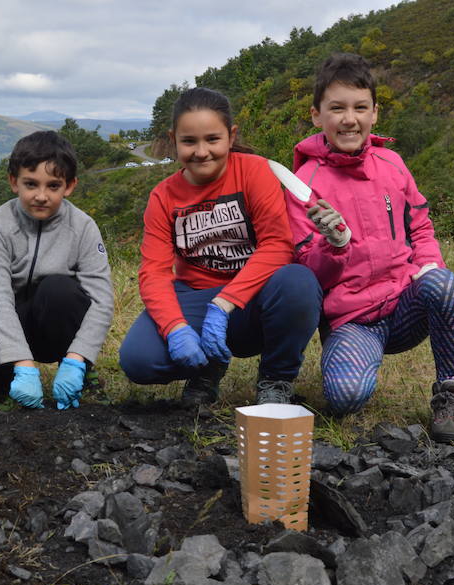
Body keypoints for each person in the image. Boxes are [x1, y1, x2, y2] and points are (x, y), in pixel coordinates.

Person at [286, 53, 454, 443]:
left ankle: (450, 396)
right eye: (336, 108)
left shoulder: (393, 165)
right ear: (317, 115)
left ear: (374, 114)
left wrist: (428, 267)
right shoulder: (305, 181)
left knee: (444, 284)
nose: (348, 118)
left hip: (405, 305)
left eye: (359, 107)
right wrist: (334, 244)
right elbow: (307, 270)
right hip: (353, 319)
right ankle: (354, 364)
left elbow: (420, 226)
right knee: (346, 398)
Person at [119, 87, 321, 406]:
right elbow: (154, 273)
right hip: (195, 296)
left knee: (298, 283)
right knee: (139, 360)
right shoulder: (163, 196)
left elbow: (278, 245)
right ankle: (206, 369)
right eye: (189, 141)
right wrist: (175, 329)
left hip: (252, 298)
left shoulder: (255, 171)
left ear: (231, 135)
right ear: (174, 140)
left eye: (212, 139)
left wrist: (225, 302)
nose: (201, 152)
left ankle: (275, 379)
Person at [0, 131, 114, 410]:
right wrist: (23, 364)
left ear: (69, 186)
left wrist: (78, 356)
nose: (41, 196)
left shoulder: (83, 227)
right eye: (30, 184)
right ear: (14, 182)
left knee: (59, 289)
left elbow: (101, 299)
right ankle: (5, 383)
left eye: (53, 186)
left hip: (57, 323)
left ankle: (80, 373)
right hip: (13, 318)